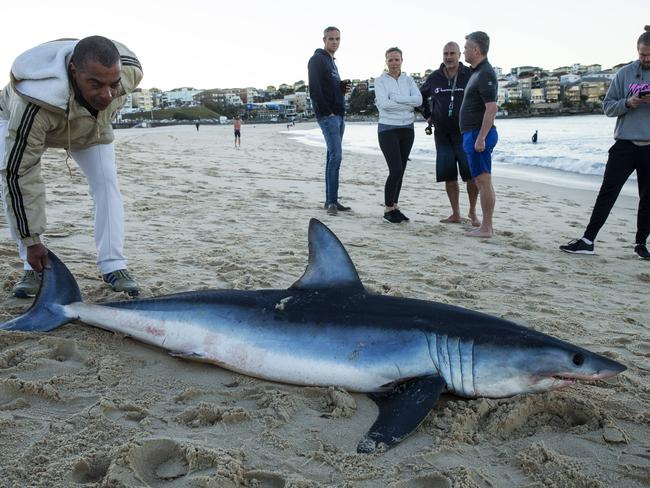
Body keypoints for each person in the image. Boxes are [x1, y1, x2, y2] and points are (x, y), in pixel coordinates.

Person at [0, 36, 143, 297]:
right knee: (11, 177)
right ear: (74, 71)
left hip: (89, 126)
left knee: (107, 183)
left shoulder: (128, 74)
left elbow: (109, 87)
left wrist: (103, 89)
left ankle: (114, 266)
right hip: (25, 117)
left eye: (113, 84)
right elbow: (20, 175)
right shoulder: (33, 102)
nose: (107, 94)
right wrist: (31, 240)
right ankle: (30, 267)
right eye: (96, 84)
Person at [560, 26, 650, 260]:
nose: (646, 58)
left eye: (649, 55)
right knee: (607, 192)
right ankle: (588, 240)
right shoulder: (625, 74)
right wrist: (629, 103)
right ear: (637, 51)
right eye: (642, 54)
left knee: (648, 198)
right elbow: (608, 107)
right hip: (625, 144)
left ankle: (640, 244)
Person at [419, 41, 478, 226]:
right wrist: (428, 116)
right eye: (445, 53)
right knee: (449, 175)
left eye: (452, 53)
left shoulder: (469, 74)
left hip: (465, 133)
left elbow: (483, 97)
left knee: (471, 176)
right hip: (442, 134)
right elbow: (419, 98)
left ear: (460, 55)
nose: (448, 57)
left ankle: (473, 212)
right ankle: (455, 213)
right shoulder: (434, 77)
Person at [374, 47, 422, 223]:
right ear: (386, 61)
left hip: (407, 129)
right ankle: (387, 209)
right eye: (390, 60)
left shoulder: (409, 81)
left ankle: (395, 206)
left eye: (397, 59)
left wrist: (397, 98)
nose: (394, 63)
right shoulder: (380, 81)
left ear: (402, 60)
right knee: (395, 170)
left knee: (401, 171)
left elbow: (418, 101)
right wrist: (407, 104)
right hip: (388, 129)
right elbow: (384, 105)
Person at [308, 26, 351, 216]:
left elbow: (330, 88)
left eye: (338, 39)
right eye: (331, 39)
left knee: (331, 157)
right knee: (336, 157)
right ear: (324, 39)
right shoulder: (317, 60)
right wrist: (328, 113)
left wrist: (342, 87)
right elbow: (315, 90)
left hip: (339, 115)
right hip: (329, 116)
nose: (335, 42)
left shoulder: (333, 63)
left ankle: (330, 200)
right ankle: (332, 201)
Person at [459, 31, 499, 238]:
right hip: (472, 133)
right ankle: (486, 226)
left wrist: (481, 137)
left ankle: (487, 227)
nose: (463, 51)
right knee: (482, 180)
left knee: (483, 180)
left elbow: (491, 108)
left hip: (478, 134)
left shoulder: (485, 73)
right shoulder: (476, 71)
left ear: (475, 50)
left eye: (465, 48)